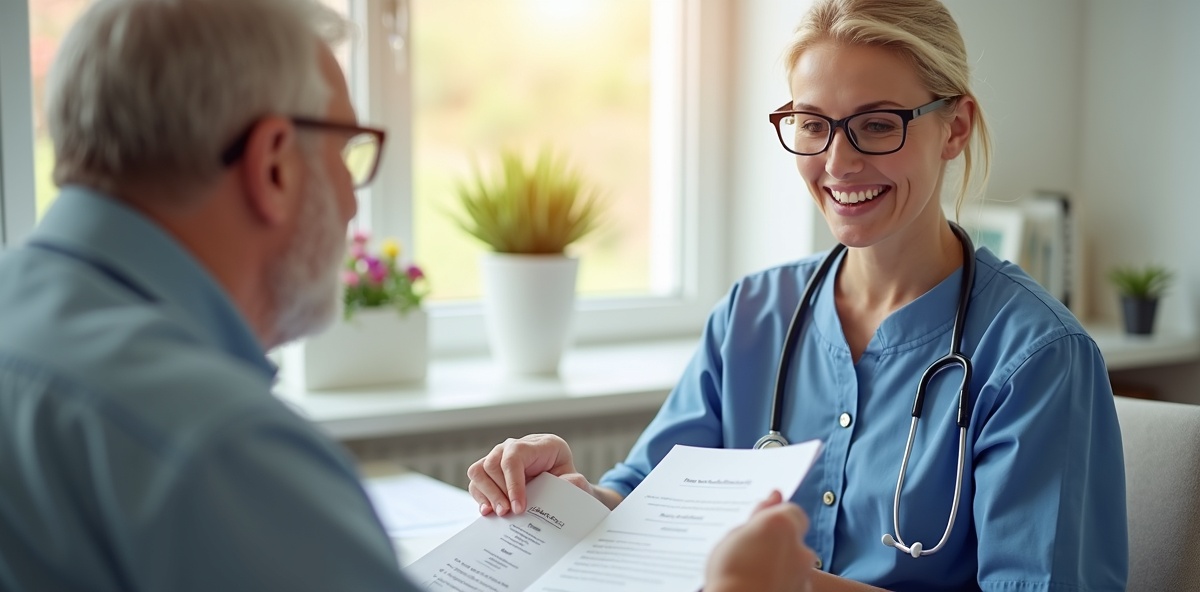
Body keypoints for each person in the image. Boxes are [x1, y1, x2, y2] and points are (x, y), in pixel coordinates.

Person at [0, 0, 813, 590]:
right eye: (350, 152)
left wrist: (591, 506)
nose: (356, 202)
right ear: (275, 163)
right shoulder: (216, 449)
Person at [466, 0, 1129, 590]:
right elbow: (647, 501)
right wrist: (564, 496)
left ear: (954, 128)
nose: (838, 163)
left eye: (875, 125)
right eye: (812, 125)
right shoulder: (751, 316)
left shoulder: (1036, 359)